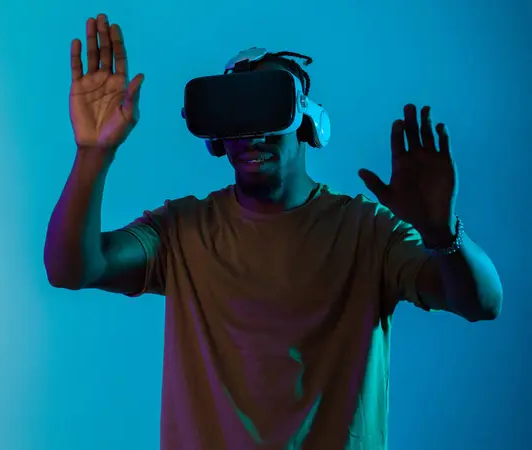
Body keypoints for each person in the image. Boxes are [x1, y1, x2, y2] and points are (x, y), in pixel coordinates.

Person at [44, 13, 503, 450]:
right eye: (237, 115)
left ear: (306, 121)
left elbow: (482, 303)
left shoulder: (367, 231)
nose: (254, 134)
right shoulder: (182, 231)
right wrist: (93, 153)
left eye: (270, 108)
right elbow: (72, 268)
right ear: (217, 136)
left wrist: (442, 234)